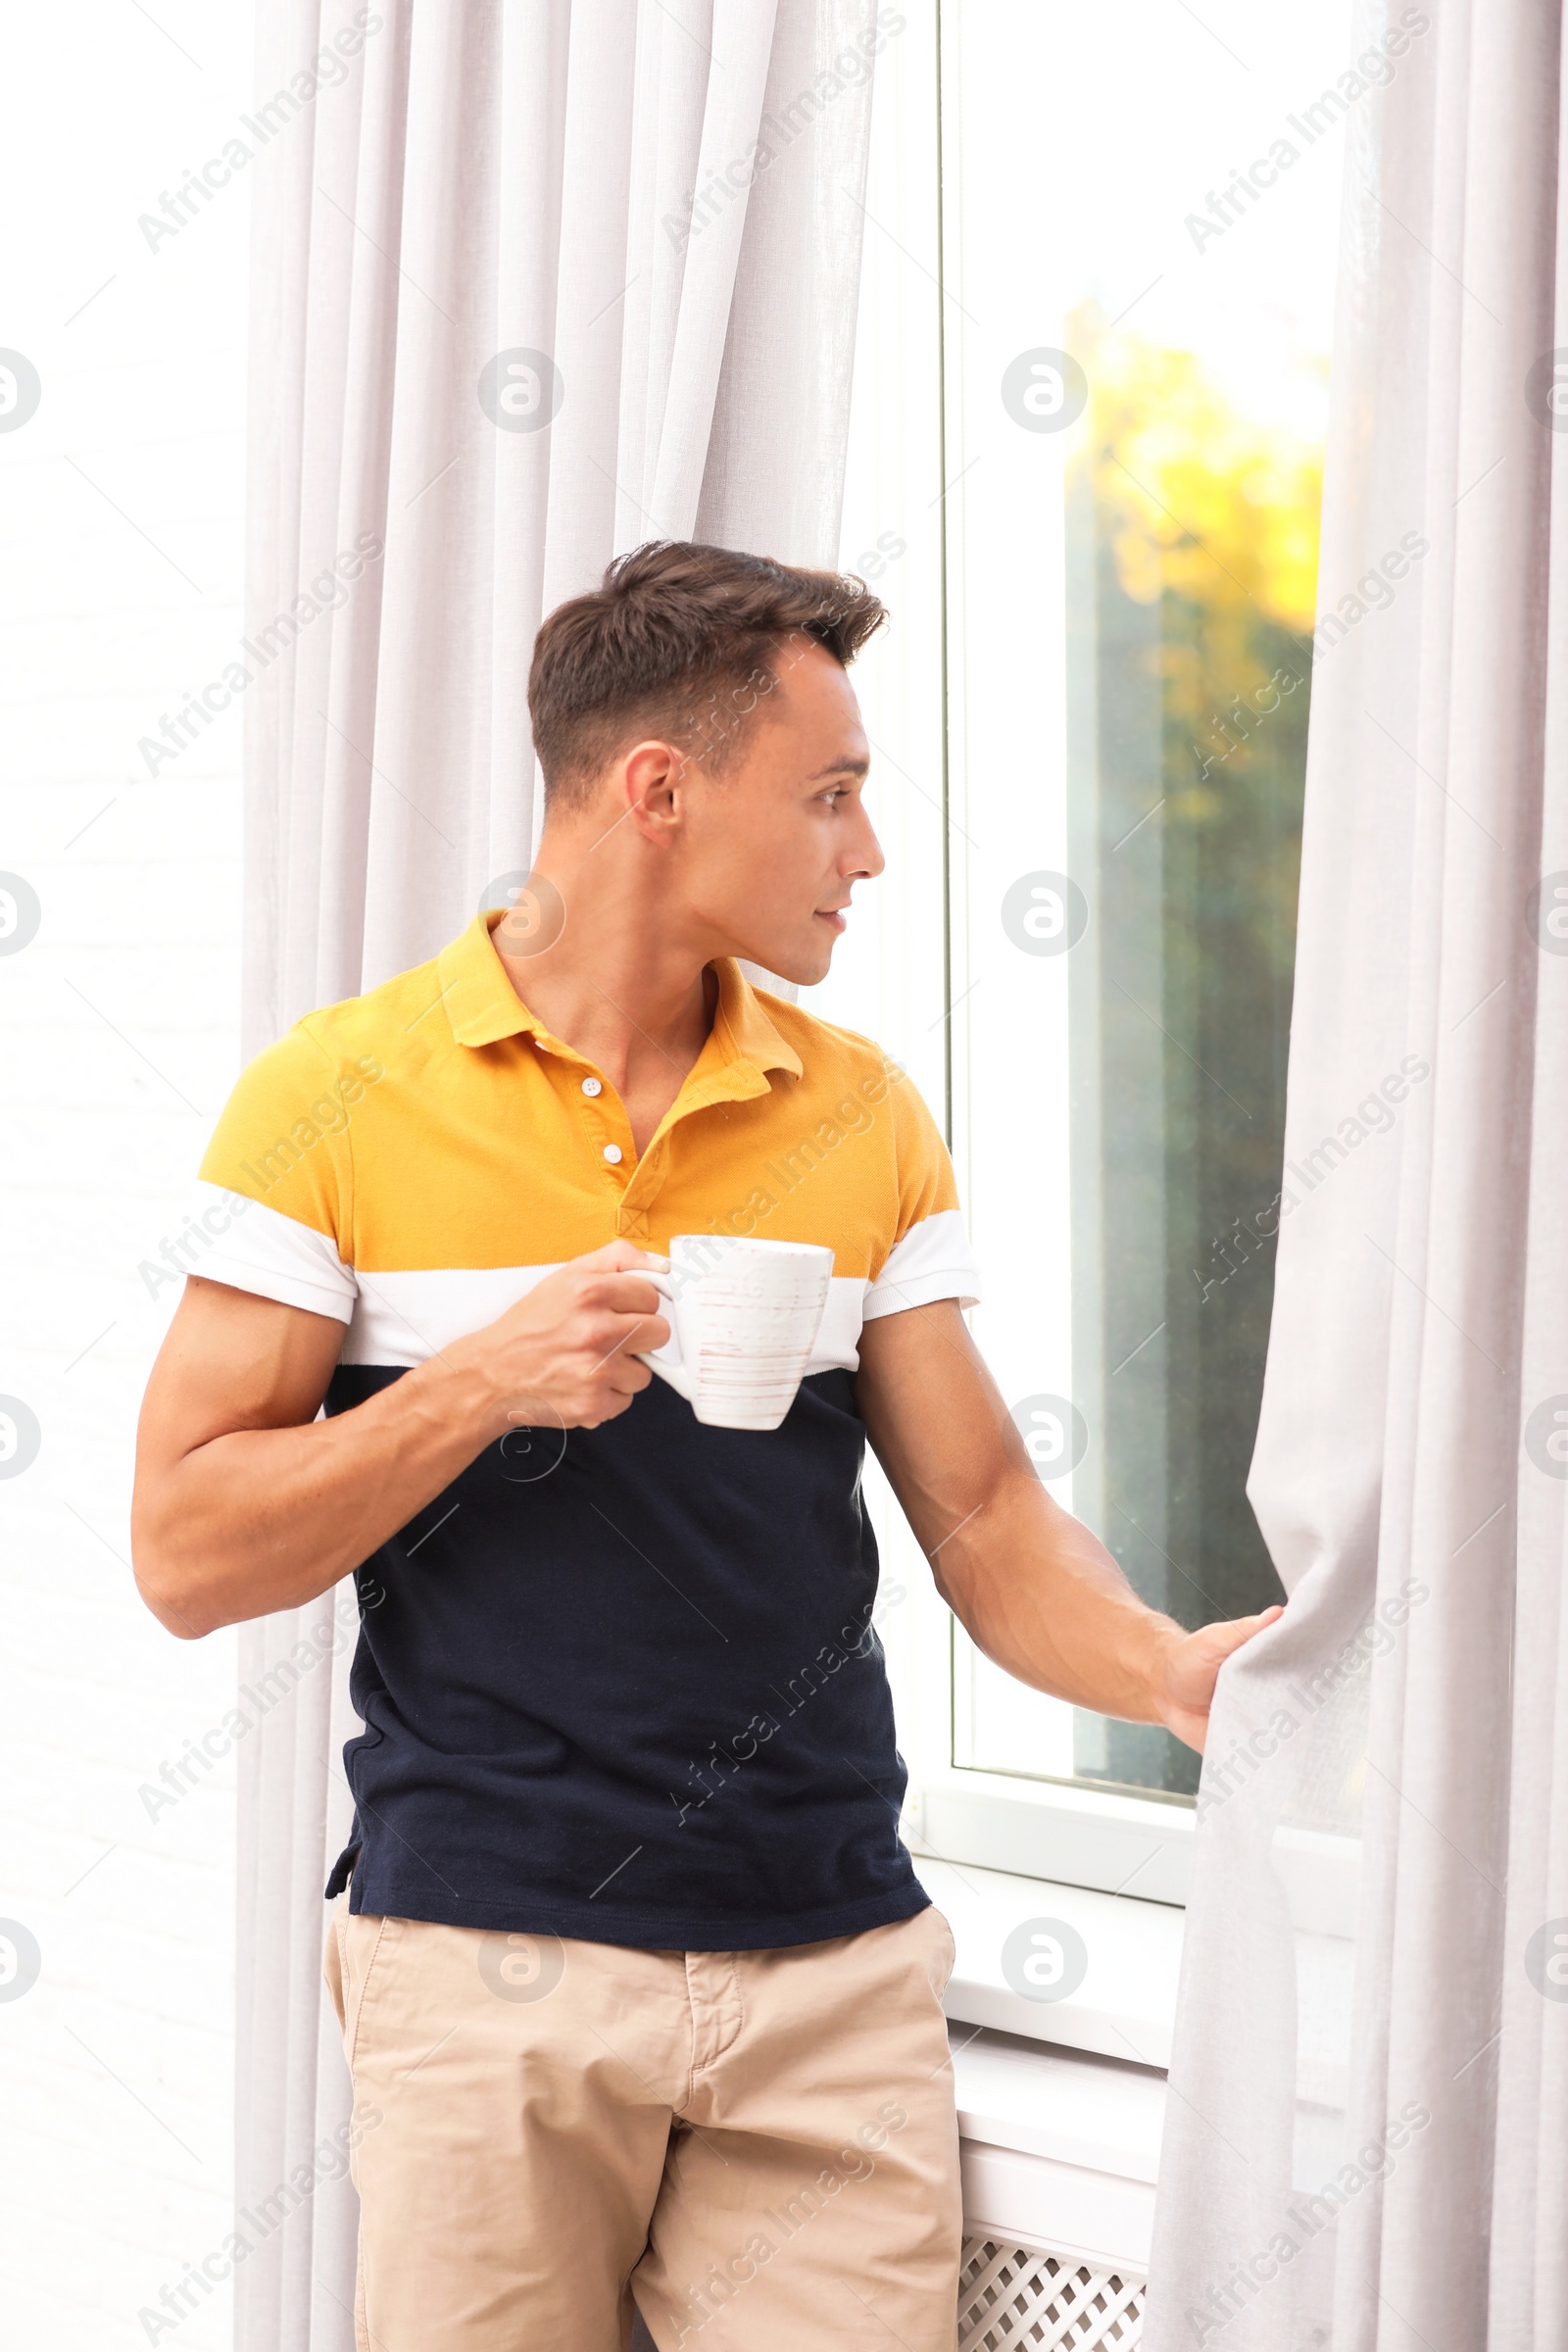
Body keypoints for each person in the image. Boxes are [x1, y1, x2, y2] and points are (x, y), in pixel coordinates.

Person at [131, 541, 1280, 2352]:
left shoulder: (862, 1113)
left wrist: (1167, 1670)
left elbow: (979, 1513)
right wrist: (472, 1385)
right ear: (658, 792)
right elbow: (186, 1553)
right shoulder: (335, 1100)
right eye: (831, 796)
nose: (869, 850)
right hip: (489, 1967)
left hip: (833, 1974)